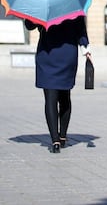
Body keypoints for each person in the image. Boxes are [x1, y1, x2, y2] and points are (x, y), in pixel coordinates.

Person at [25, 16, 92, 153]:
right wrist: (86, 49)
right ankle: (62, 136)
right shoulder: (72, 6)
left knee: (50, 98)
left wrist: (38, 19)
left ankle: (55, 140)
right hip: (67, 54)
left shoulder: (42, 5)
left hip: (47, 54)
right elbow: (81, 30)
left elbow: (29, 25)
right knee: (65, 96)